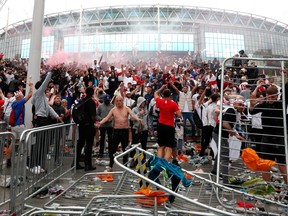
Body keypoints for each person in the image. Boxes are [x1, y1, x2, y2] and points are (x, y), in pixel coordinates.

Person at [249, 86, 287, 183]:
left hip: (280, 138)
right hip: (267, 138)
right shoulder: (263, 105)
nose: (270, 99)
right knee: (265, 165)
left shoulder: (281, 104)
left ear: (277, 96)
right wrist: (252, 104)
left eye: (273, 97)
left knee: (282, 165)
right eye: (269, 97)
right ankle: (267, 186)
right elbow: (252, 111)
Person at [97, 95, 143, 171]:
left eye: (120, 100)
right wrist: (100, 122)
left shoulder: (127, 108)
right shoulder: (113, 110)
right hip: (116, 131)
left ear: (122, 101)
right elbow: (107, 118)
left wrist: (138, 119)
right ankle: (111, 166)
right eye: (117, 101)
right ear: (115, 102)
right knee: (112, 150)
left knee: (125, 149)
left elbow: (132, 115)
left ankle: (125, 166)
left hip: (125, 131)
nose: (118, 102)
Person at [211, 99, 246, 184]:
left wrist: (231, 132)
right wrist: (235, 134)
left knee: (220, 153)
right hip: (220, 135)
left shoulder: (234, 112)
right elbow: (225, 124)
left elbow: (228, 124)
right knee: (225, 156)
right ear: (235, 104)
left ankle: (215, 171)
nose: (242, 107)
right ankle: (226, 181)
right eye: (240, 104)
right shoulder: (231, 110)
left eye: (243, 105)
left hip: (220, 133)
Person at [6, 83, 33, 167]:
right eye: (22, 96)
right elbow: (29, 95)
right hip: (19, 126)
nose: (23, 97)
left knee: (13, 143)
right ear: (19, 98)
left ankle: (8, 159)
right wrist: (31, 87)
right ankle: (28, 159)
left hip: (14, 126)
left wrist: (21, 90)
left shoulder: (14, 104)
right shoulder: (20, 103)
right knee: (26, 142)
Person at [154, 84, 182, 161]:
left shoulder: (160, 101)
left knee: (161, 146)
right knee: (169, 148)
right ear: (170, 95)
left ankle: (159, 163)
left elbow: (155, 93)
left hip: (161, 125)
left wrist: (162, 87)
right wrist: (176, 112)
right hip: (169, 126)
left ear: (163, 95)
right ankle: (165, 164)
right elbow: (179, 115)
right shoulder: (173, 104)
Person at [76, 87, 97, 171]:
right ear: (92, 93)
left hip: (81, 125)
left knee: (80, 144)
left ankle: (76, 163)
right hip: (89, 126)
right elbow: (93, 116)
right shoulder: (91, 102)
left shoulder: (82, 101)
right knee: (88, 145)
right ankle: (88, 164)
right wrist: (96, 121)